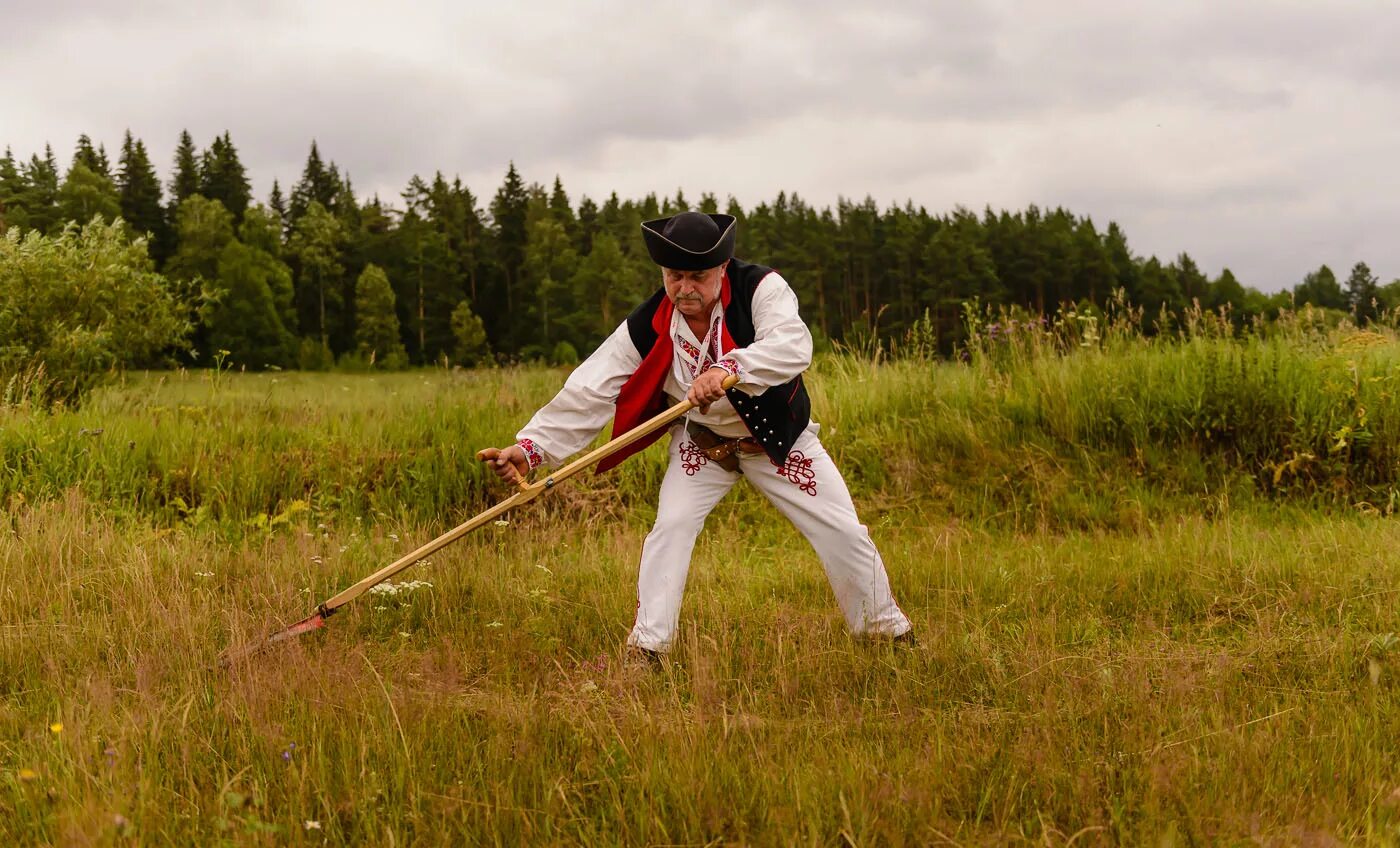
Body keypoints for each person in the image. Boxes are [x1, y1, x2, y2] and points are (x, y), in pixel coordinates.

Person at [479, 211, 912, 663]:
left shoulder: (761, 288)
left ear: (722, 269)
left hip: (777, 442)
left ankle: (885, 635)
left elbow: (792, 344)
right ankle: (648, 648)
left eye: (698, 276)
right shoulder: (649, 322)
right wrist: (530, 449)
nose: (684, 288)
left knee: (842, 530)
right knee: (670, 528)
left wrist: (730, 369)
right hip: (703, 446)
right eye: (674, 276)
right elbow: (591, 387)